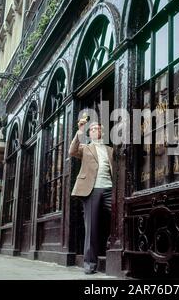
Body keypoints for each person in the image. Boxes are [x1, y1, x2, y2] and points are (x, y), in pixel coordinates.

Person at [69, 117, 113, 274]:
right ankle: (90, 264)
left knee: (118, 219)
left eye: (99, 128)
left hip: (110, 189)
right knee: (92, 227)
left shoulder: (110, 150)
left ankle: (115, 256)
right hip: (92, 189)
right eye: (93, 128)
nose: (96, 130)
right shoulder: (85, 148)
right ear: (89, 133)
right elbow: (72, 151)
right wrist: (80, 130)